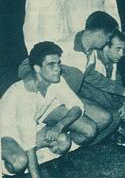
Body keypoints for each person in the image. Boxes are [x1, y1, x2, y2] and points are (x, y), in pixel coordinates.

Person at [19, 11, 125, 145]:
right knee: (89, 129)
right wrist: (28, 76)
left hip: (68, 99)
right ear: (100, 34)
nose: (108, 41)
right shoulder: (65, 46)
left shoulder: (90, 52)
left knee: (104, 118)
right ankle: (50, 143)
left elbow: (93, 77)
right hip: (48, 103)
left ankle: (63, 146)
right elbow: (27, 62)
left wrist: (120, 90)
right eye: (108, 37)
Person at [1, 42, 90, 177]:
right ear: (37, 68)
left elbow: (77, 106)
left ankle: (31, 164)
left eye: (58, 63)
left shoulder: (55, 81)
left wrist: (59, 125)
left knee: (63, 141)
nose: (58, 68)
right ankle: (7, 168)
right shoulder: (25, 94)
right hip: (5, 133)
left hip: (29, 130)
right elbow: (28, 140)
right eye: (51, 64)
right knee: (19, 161)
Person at [80, 29, 125, 134]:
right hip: (82, 105)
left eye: (123, 50)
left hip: (103, 105)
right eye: (118, 49)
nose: (122, 54)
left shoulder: (113, 65)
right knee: (113, 114)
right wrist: (119, 104)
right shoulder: (91, 61)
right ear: (106, 47)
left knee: (124, 112)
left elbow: (119, 88)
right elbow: (98, 94)